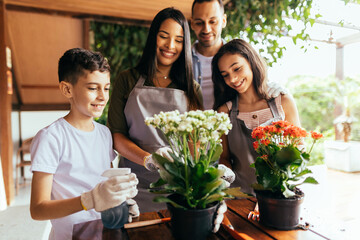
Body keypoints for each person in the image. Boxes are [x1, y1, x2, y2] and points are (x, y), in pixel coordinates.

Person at [30, 48, 139, 240]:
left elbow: (106, 184)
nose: (103, 97)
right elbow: (38, 209)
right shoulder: (51, 138)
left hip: (104, 232)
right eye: (92, 88)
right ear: (67, 89)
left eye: (106, 88)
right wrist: (88, 200)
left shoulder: (105, 134)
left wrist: (120, 203)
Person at [107, 7, 203, 213]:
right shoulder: (127, 79)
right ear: (154, 37)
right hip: (132, 184)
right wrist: (149, 160)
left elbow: (194, 143)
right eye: (164, 36)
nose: (170, 45)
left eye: (178, 40)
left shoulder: (192, 89)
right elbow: (117, 135)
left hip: (178, 187)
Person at [212, 39, 302, 219]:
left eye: (237, 69)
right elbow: (224, 158)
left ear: (252, 62)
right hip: (238, 201)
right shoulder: (224, 111)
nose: (233, 79)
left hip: (280, 199)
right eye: (225, 75)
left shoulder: (282, 101)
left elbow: (299, 147)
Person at [191, 0, 286, 109]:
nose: (206, 29)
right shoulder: (181, 60)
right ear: (192, 24)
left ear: (223, 21)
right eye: (199, 23)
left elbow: (260, 85)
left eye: (213, 22)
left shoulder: (239, 56)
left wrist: (277, 91)